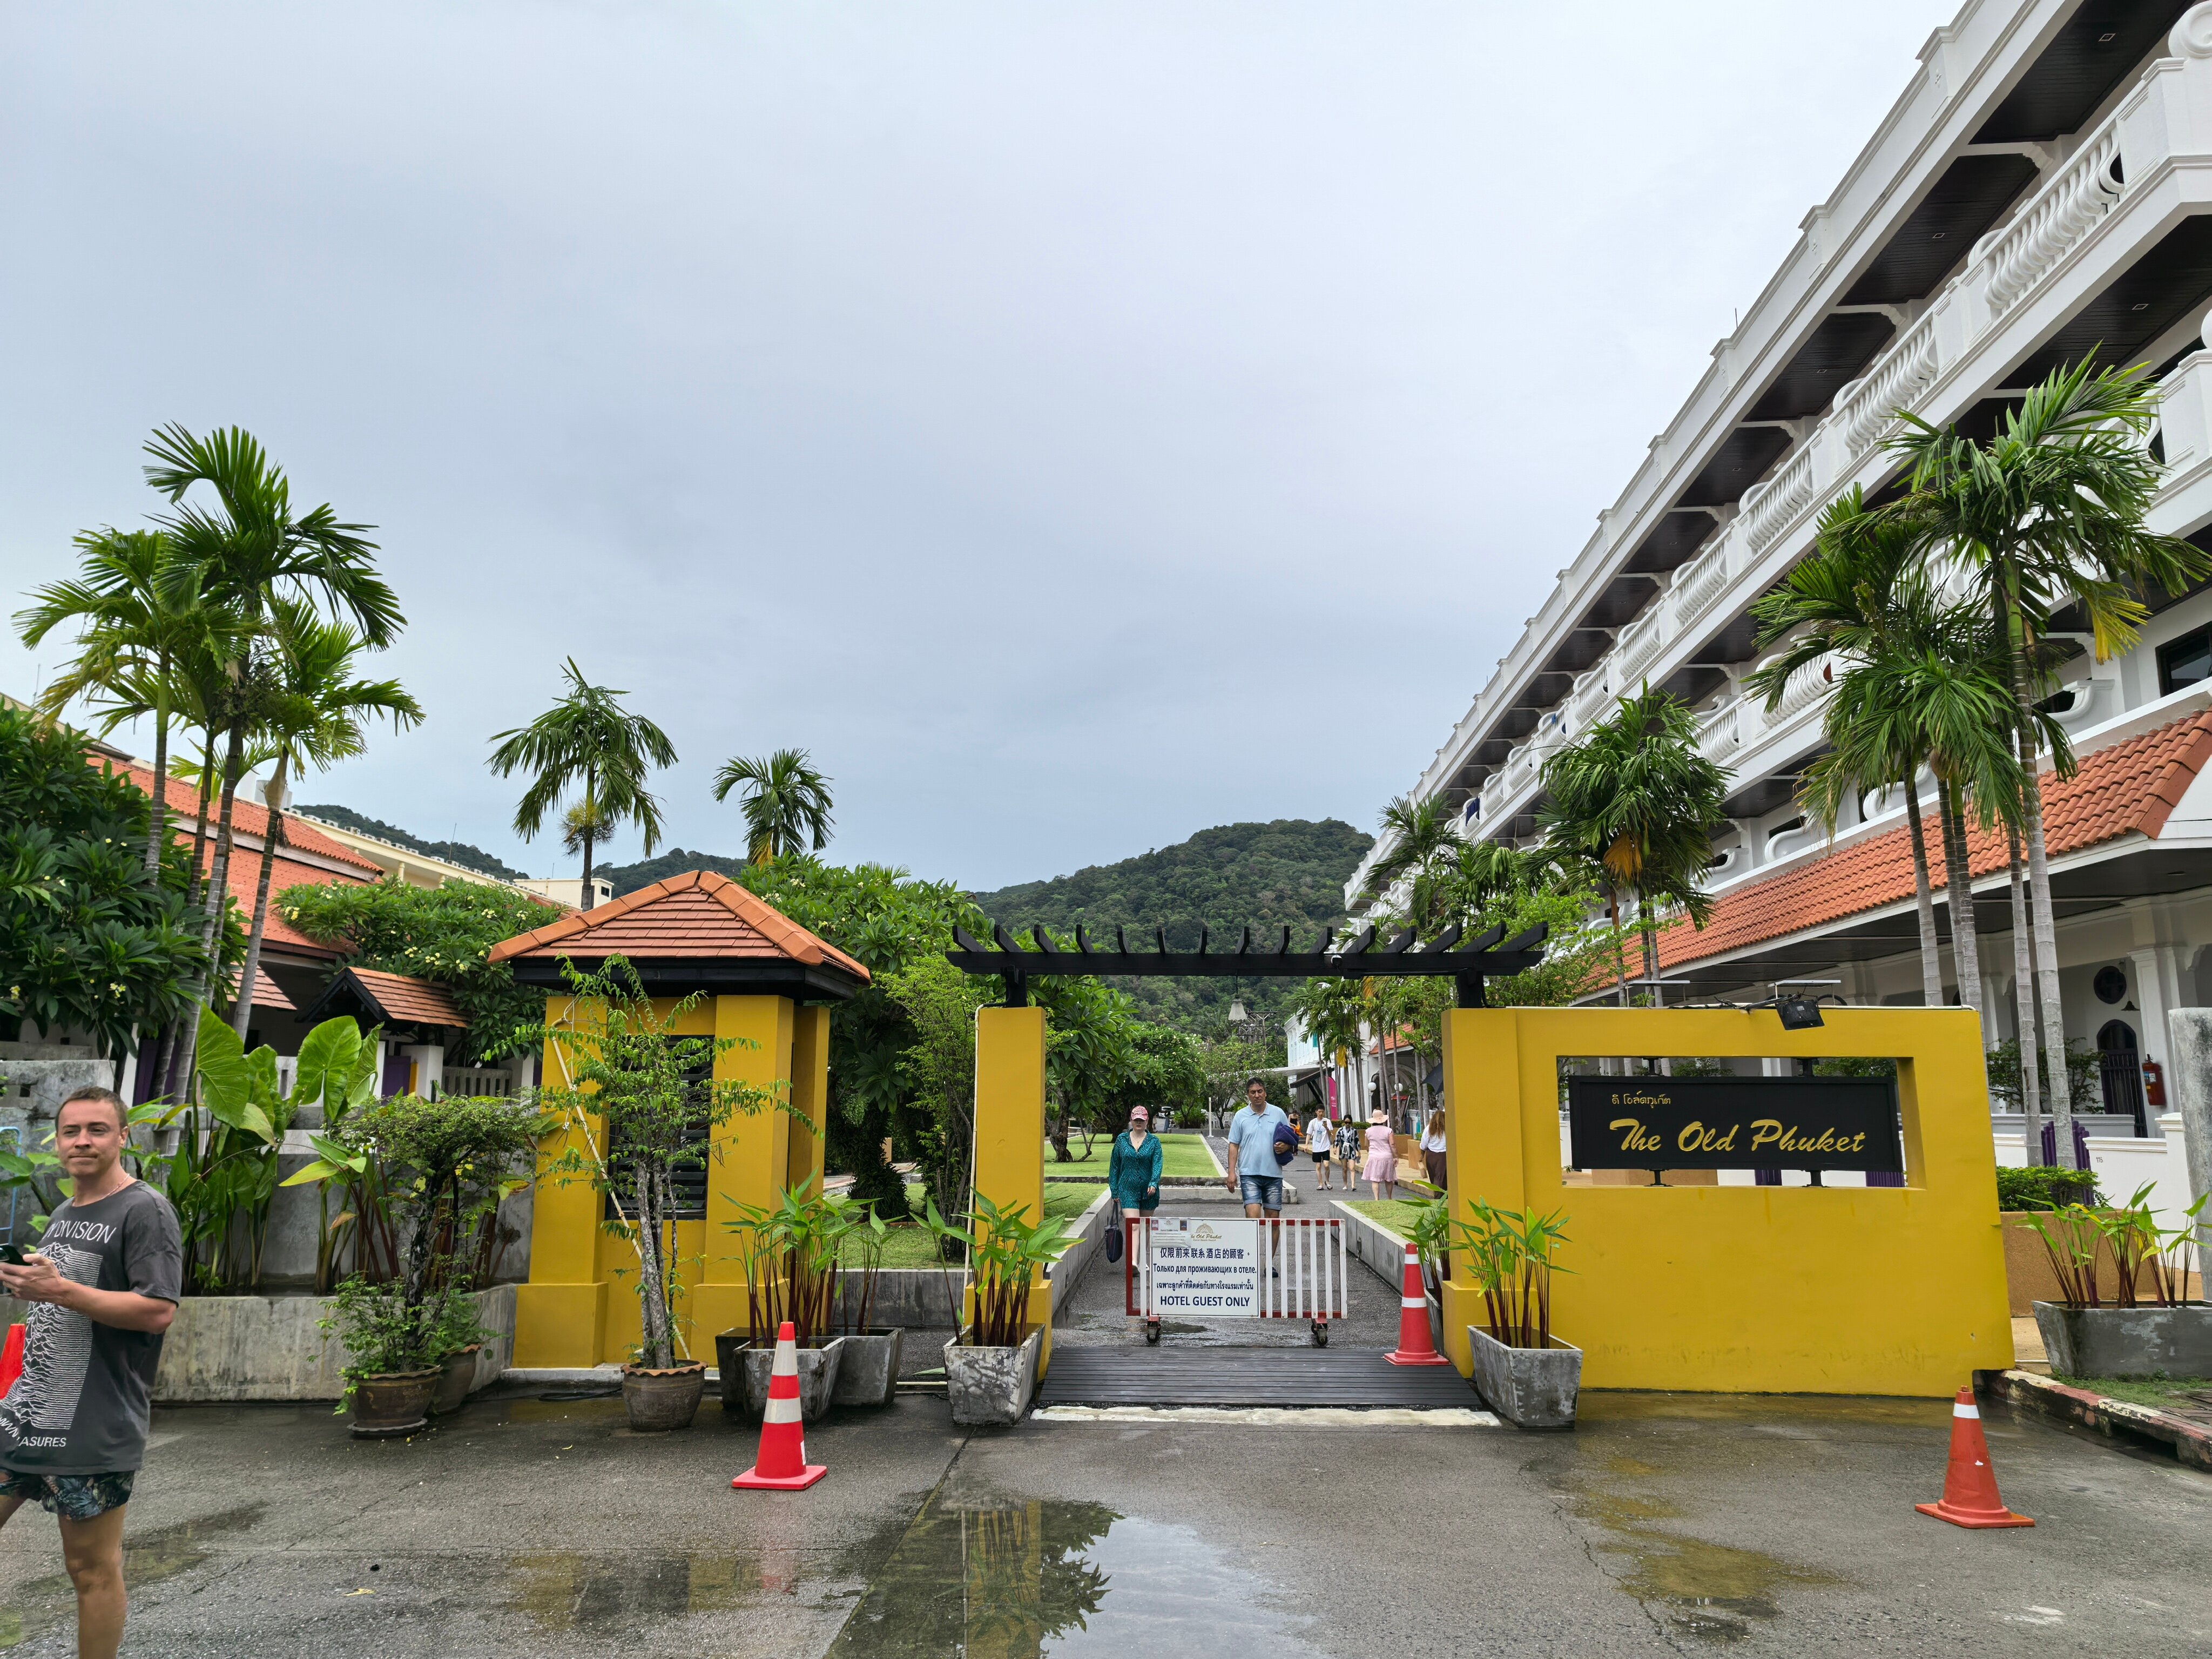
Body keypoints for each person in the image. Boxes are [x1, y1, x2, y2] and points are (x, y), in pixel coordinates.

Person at [0, 1085, 183, 1659]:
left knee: (90, 1568)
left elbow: (157, 1310)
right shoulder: (64, 1214)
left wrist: (61, 1290)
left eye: (97, 1129)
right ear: (57, 1142)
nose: (82, 1141)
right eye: (71, 1131)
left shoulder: (144, 1209)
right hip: (26, 1414)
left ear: (123, 1137)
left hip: (95, 1424)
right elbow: (61, 1299)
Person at [1223, 1076, 1291, 1221]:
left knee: (1273, 1220)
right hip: (1249, 1174)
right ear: (1248, 1095)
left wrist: (1286, 1146)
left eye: (1260, 1091)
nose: (1257, 1095)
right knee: (1253, 1217)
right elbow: (1234, 1145)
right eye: (1253, 1092)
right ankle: (1254, 1238)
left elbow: (1291, 1139)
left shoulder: (1278, 1113)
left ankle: (1272, 1239)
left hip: (1273, 1174)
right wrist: (1231, 1173)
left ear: (1265, 1093)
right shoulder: (1240, 1116)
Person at [1107, 1106, 1165, 1236]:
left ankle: (1145, 1250)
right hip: (1128, 1189)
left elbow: (1157, 1164)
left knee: (1146, 1227)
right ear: (1131, 1120)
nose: (1139, 1122)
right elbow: (1115, 1166)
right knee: (1134, 1226)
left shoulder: (1154, 1142)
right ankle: (1133, 1252)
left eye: (1142, 1120)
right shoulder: (1121, 1140)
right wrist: (1114, 1188)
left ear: (1147, 1121)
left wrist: (1154, 1182)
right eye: (1136, 1120)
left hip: (1148, 1191)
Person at [1363, 1108, 1398, 1201]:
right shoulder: (1389, 1131)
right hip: (1387, 1156)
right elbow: (1392, 1144)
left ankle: (1377, 1199)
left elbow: (1366, 1144)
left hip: (1374, 1156)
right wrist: (1396, 1156)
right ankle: (1389, 1198)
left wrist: (1370, 1152)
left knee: (1375, 1179)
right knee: (1389, 1179)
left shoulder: (1368, 1131)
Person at [1420, 1107, 1448, 1191]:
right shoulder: (1448, 1129)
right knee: (1442, 1178)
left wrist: (1422, 1156)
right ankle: (1441, 1195)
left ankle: (1437, 1194)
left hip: (1431, 1157)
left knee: (1434, 1177)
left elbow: (1424, 1145)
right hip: (1444, 1156)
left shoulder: (1428, 1129)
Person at [1306, 1110, 1334, 1190]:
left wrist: (1326, 1127)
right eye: (1319, 1112)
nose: (1321, 1113)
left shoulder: (1327, 1121)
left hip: (1326, 1147)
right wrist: (1306, 1145)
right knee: (1318, 1166)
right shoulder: (1313, 1122)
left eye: (1322, 1112)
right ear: (1316, 1112)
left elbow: (1330, 1134)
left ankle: (1327, 1181)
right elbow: (1309, 1134)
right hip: (1316, 1148)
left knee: (1326, 1165)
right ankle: (1321, 1184)